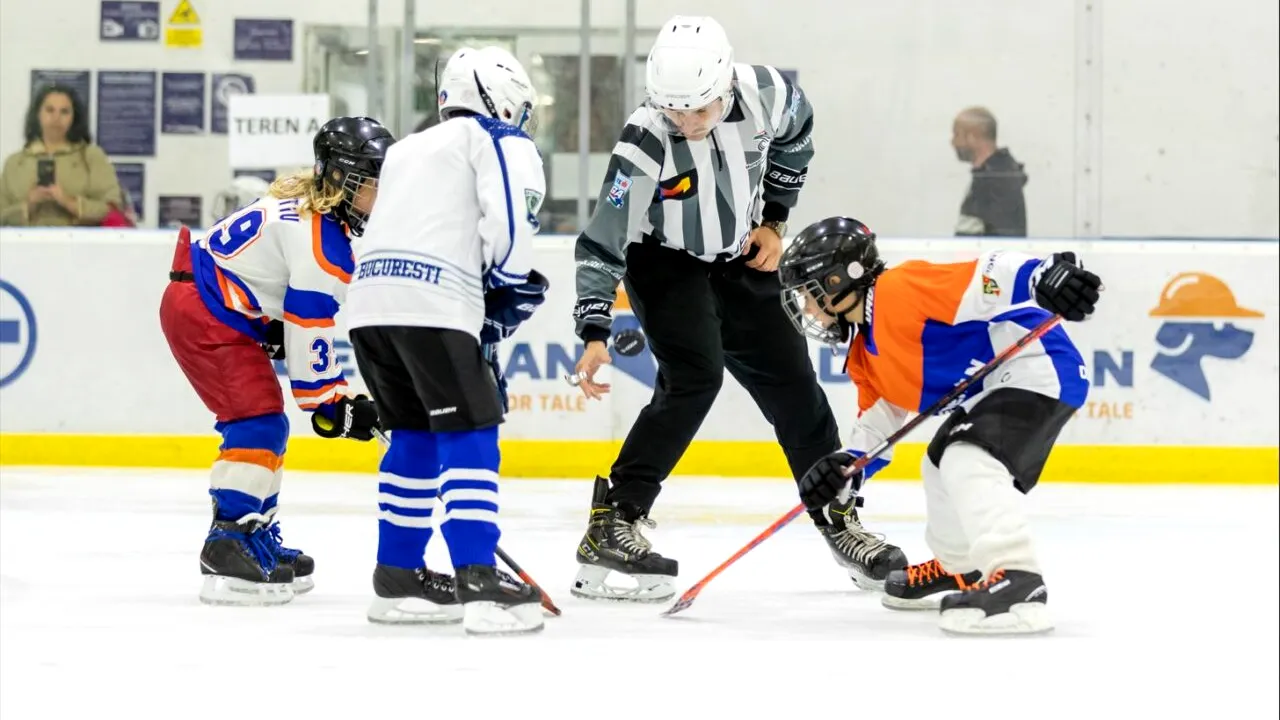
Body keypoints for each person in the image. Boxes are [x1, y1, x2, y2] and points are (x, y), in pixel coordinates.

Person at [567, 15, 907, 603]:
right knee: (694, 378)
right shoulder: (645, 136)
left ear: (725, 85)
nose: (688, 124)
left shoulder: (769, 94)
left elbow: (799, 135)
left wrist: (775, 220)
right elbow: (603, 238)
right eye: (675, 111)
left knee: (796, 387)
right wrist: (594, 324)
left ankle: (839, 518)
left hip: (743, 257)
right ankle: (615, 520)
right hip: (665, 261)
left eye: (700, 110)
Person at [780, 216, 1101, 635]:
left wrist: (1042, 275)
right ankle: (960, 568)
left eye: (810, 292)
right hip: (996, 388)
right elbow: (877, 427)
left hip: (1038, 367)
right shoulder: (865, 352)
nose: (806, 307)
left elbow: (988, 275)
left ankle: (1018, 580)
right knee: (938, 465)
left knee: (967, 457)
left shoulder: (899, 290)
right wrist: (841, 470)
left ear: (841, 279)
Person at [345, 46, 549, 636]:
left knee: (413, 433)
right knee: (470, 430)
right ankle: (478, 577)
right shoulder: (500, 140)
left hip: (371, 305)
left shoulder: (406, 147)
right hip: (435, 301)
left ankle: (399, 576)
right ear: (504, 97)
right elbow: (510, 218)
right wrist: (507, 285)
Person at [159, 116, 394, 606]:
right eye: (370, 183)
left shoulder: (303, 202)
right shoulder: (323, 242)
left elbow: (282, 304)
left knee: (268, 423)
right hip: (207, 311)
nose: (380, 194)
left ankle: (254, 528)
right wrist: (334, 403)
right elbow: (310, 346)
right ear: (340, 181)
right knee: (258, 422)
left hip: (209, 302)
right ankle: (228, 541)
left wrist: (331, 390)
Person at [0, 84, 123, 226]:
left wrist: (68, 202)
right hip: (26, 245)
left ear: (74, 117)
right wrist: (29, 205)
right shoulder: (15, 163)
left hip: (79, 244)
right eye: (49, 110)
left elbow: (111, 210)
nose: (56, 117)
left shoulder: (91, 157)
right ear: (37, 114)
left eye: (64, 112)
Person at [951, 107, 1028, 237]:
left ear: (972, 137)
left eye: (957, 134)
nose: (953, 142)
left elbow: (969, 240)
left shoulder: (993, 183)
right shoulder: (995, 176)